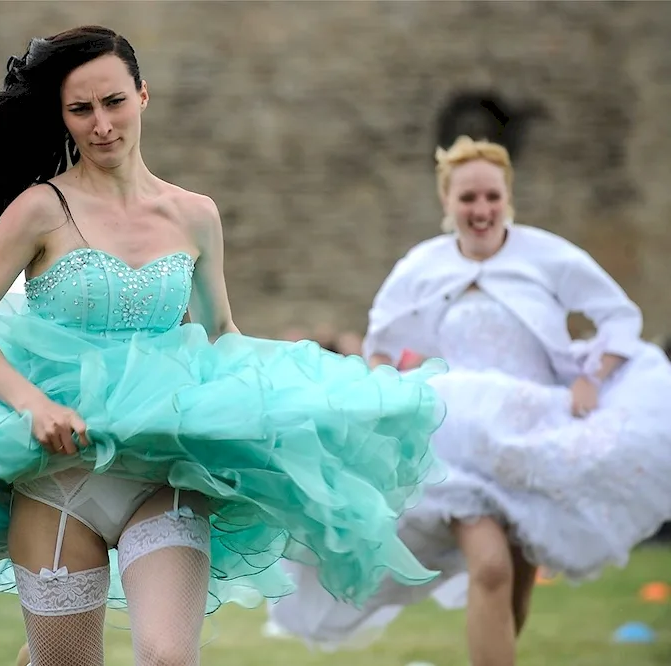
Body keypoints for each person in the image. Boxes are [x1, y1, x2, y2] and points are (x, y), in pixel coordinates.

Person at [0, 26, 446, 666]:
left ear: (143, 95)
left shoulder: (195, 214)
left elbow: (219, 332)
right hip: (58, 475)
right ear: (63, 117)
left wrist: (316, 390)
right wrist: (32, 403)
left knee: (169, 658)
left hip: (164, 470)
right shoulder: (40, 207)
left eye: (113, 102)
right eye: (81, 109)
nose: (101, 124)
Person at [266, 136, 671, 666]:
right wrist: (386, 397)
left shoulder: (547, 256)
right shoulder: (422, 266)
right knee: (491, 567)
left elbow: (619, 317)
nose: (480, 210)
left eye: (491, 197)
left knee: (515, 588)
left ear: (507, 198)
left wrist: (592, 378)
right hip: (455, 438)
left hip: (532, 439)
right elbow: (380, 344)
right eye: (467, 199)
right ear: (446, 202)